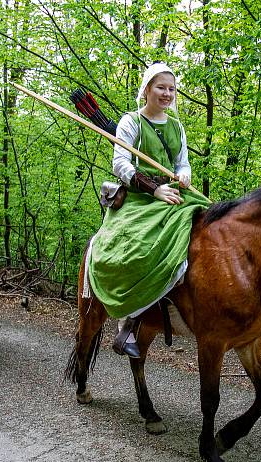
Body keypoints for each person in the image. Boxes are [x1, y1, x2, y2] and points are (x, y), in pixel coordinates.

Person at [87, 62, 210, 358]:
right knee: (139, 247)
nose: (167, 93)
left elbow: (182, 162)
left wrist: (184, 175)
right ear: (146, 90)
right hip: (140, 197)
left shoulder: (176, 126)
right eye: (160, 87)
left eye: (171, 88)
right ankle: (130, 320)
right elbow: (121, 164)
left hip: (174, 193)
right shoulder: (131, 122)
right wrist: (153, 188)